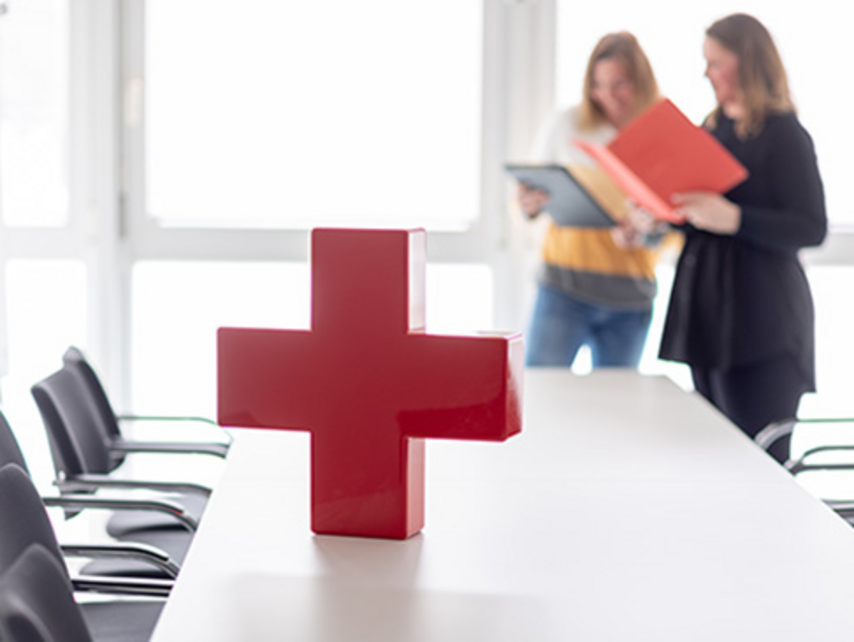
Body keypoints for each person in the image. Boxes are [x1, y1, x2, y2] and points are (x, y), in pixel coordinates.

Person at [655, 14, 827, 463]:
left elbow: (811, 227)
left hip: (762, 328)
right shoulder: (713, 128)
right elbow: (697, 217)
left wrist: (736, 219)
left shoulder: (785, 134)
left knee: (762, 462)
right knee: (714, 463)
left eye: (716, 63)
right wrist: (661, 214)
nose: (707, 73)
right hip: (708, 323)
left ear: (747, 62)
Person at [519, 32, 664, 370]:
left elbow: (674, 226)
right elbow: (529, 193)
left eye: (619, 84)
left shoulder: (661, 135)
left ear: (641, 82)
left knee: (615, 397)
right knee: (542, 389)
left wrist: (644, 235)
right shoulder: (566, 124)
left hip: (630, 295)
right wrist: (529, 205)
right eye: (598, 85)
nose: (607, 95)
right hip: (563, 287)